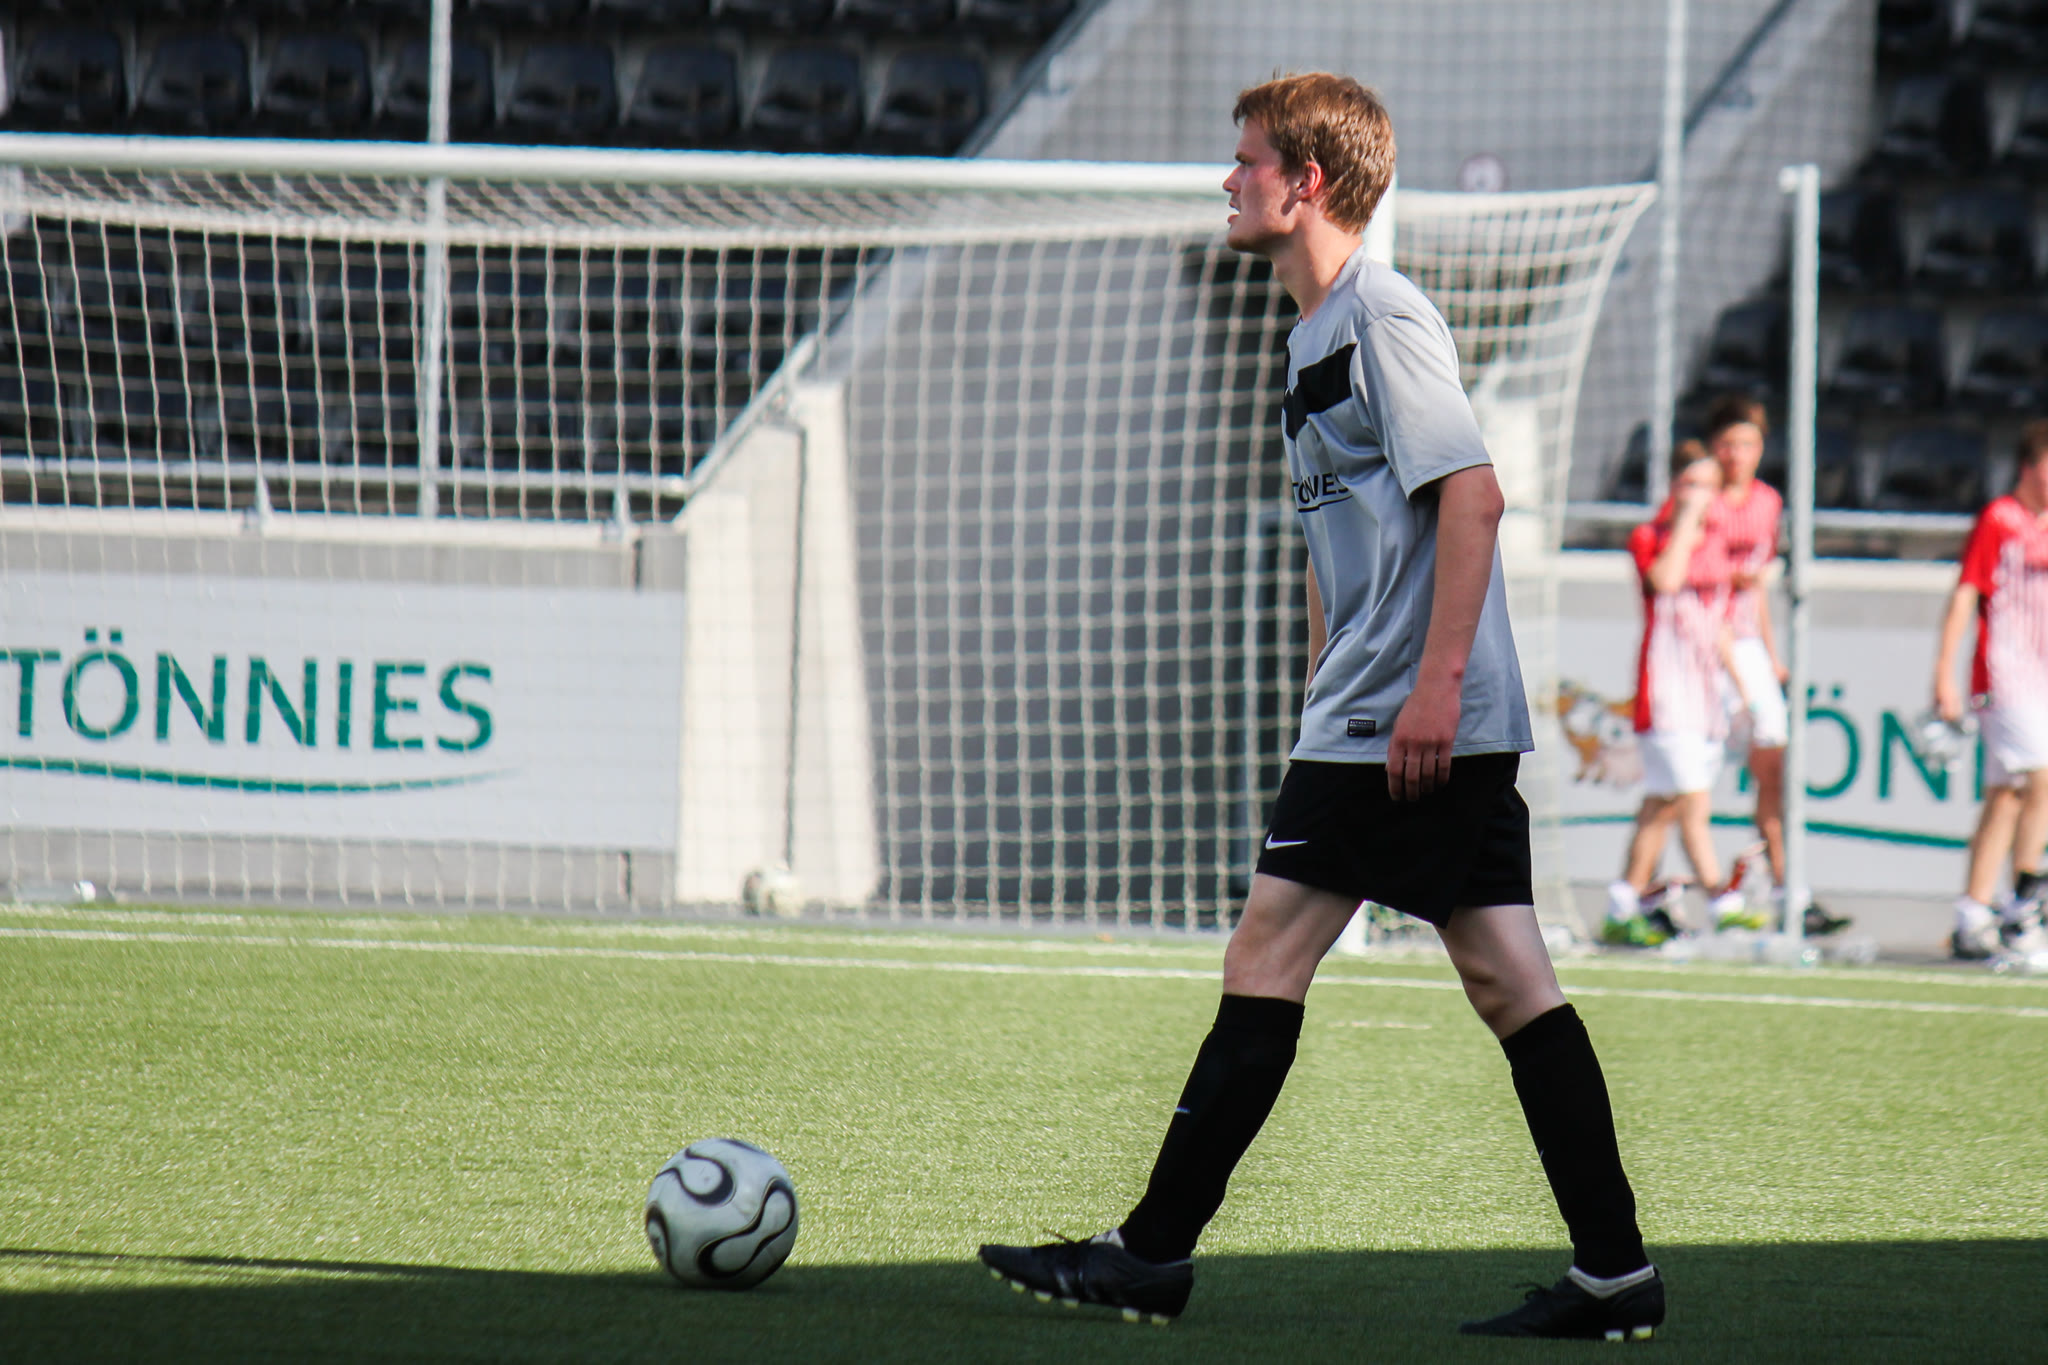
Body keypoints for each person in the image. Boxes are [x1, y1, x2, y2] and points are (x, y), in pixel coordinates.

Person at [977, 73, 1663, 1342]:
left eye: (1246, 161)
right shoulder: (1309, 334)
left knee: (1267, 958)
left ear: (1306, 183)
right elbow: (1339, 532)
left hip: (1401, 719)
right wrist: (1326, 668)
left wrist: (1429, 691)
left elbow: (1472, 498)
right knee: (1509, 979)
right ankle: (1615, 1274)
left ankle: (1148, 1255)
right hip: (1377, 707)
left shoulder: (1381, 316)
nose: (1226, 180)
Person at [1706, 398, 1849, 937]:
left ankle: (1787, 889)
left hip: (1746, 645)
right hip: (1704, 648)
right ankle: (1660, 889)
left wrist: (1769, 653)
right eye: (1728, 443)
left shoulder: (1766, 503)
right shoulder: (1702, 501)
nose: (1737, 455)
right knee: (1686, 781)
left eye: (1747, 444)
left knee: (1775, 768)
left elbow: (1758, 589)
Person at [1604, 443, 1744, 942]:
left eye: (1708, 486)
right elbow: (1663, 581)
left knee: (1660, 805)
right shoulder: (1651, 537)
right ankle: (1723, 900)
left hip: (1704, 698)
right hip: (1664, 693)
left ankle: (1622, 904)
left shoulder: (1719, 545)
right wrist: (1685, 525)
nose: (1699, 496)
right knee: (1691, 801)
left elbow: (1720, 625)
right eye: (1691, 485)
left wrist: (1742, 690)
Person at [1932, 420, 2048, 962]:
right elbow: (1966, 594)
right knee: (2041, 776)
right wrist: (1943, 671)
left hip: (2042, 676)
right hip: (2003, 673)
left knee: (2006, 795)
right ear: (2029, 466)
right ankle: (2024, 907)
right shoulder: (2000, 519)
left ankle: (1972, 915)